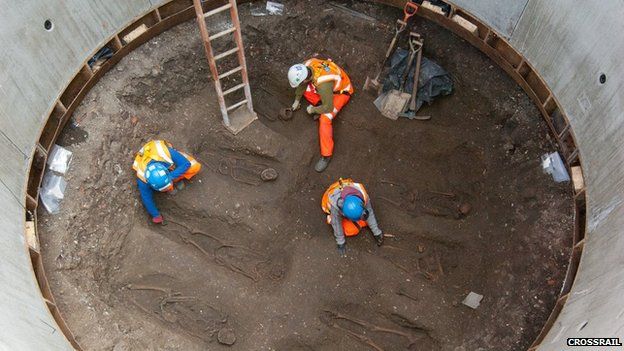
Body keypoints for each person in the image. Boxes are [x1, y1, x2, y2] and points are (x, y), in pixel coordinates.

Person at [288, 58, 354, 172]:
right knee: (307, 90)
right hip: (328, 88)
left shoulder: (322, 84)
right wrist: (297, 100)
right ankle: (320, 105)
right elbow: (303, 85)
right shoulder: (306, 65)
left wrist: (313, 109)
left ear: (304, 78)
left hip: (342, 92)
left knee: (325, 119)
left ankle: (326, 156)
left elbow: (328, 107)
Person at [132, 140, 201, 224]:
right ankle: (169, 186)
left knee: (195, 167)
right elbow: (146, 198)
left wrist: (172, 176)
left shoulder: (165, 152)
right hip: (148, 161)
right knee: (162, 185)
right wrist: (156, 215)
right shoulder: (142, 179)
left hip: (160, 155)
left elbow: (186, 164)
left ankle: (170, 182)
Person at [321, 178, 384, 256]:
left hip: (344, 189)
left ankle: (357, 219)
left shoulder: (362, 196)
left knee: (365, 221)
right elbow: (337, 223)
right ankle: (330, 218)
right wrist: (340, 242)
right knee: (351, 230)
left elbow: (369, 212)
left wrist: (376, 232)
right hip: (331, 201)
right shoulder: (335, 207)